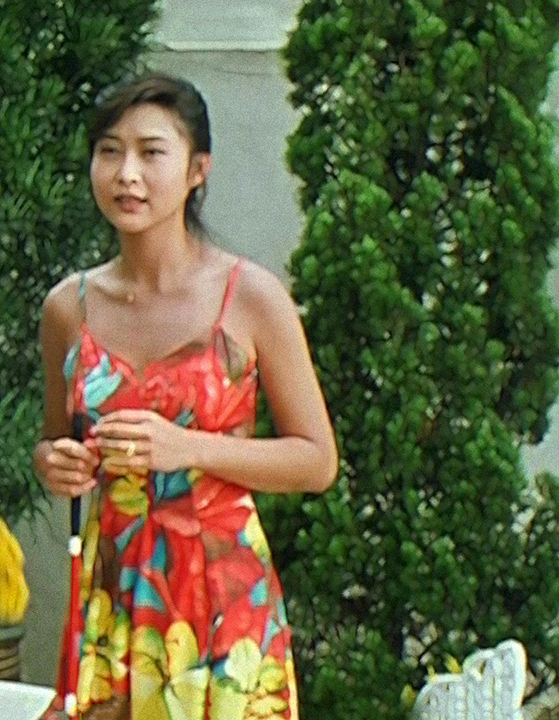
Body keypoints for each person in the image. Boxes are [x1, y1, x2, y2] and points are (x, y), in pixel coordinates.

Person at [33, 74, 338, 719]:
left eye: (152, 152)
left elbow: (316, 461)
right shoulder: (68, 308)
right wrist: (55, 464)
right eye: (109, 151)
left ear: (198, 170)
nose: (127, 174)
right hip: (113, 588)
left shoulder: (251, 298)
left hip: (220, 591)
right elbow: (56, 442)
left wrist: (186, 447)